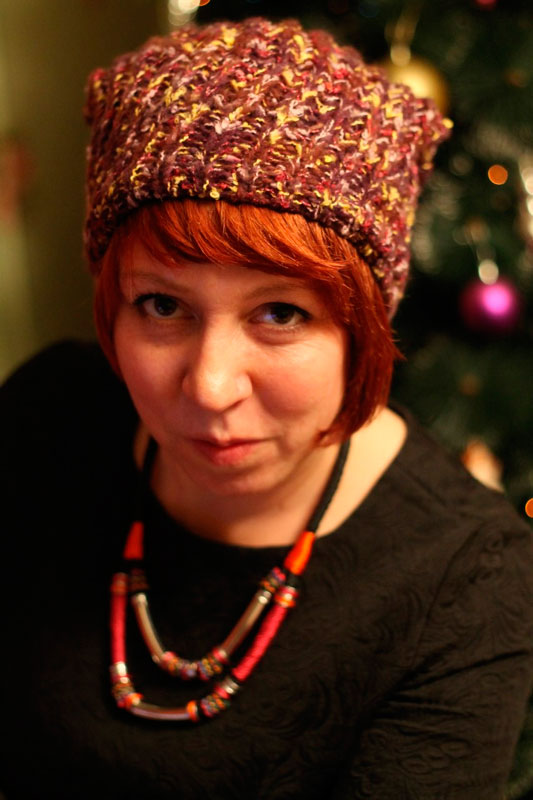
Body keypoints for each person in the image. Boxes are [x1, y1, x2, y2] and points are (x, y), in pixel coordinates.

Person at [1, 16, 532, 800]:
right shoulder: (49, 418)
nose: (211, 386)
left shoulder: (465, 584)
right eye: (161, 306)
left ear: (361, 329)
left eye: (280, 313)